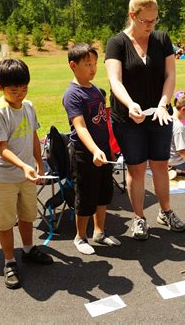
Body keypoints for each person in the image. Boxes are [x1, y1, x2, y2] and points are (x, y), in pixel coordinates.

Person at [105, 0, 185, 240]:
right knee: (136, 169)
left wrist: (163, 104)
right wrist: (130, 105)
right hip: (128, 117)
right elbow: (114, 80)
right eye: (145, 20)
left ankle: (166, 211)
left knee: (161, 165)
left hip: (159, 114)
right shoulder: (117, 43)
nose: (151, 25)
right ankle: (139, 218)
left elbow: (170, 75)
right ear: (132, 15)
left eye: (155, 20)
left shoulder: (162, 39)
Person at [0, 59, 53, 289]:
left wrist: (39, 163)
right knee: (6, 222)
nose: (19, 94)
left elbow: (34, 136)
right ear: (0, 87)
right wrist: (24, 167)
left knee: (27, 216)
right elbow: (2, 148)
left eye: (23, 88)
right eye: (13, 90)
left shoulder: (28, 106)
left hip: (27, 175)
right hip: (3, 177)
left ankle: (27, 250)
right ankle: (9, 261)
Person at [62, 43, 121, 255]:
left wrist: (108, 148)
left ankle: (99, 232)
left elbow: (103, 122)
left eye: (95, 64)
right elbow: (80, 127)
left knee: (103, 193)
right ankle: (80, 236)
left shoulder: (96, 90)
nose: (93, 68)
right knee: (85, 197)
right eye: (88, 64)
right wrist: (95, 150)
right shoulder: (72, 94)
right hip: (84, 155)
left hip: (103, 152)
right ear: (73, 65)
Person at [169, 92, 185, 176]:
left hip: (169, 158)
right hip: (177, 161)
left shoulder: (169, 119)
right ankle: (179, 171)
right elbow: (182, 151)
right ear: (183, 109)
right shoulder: (179, 127)